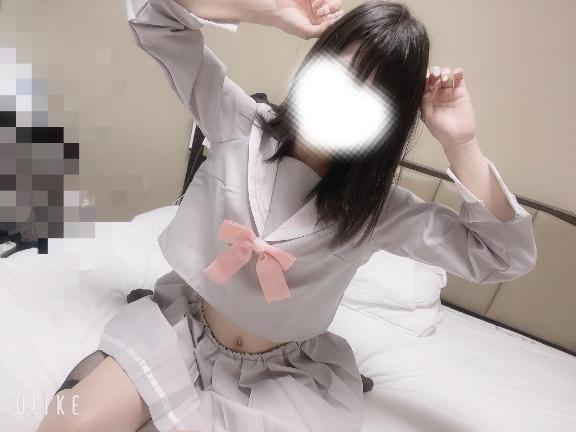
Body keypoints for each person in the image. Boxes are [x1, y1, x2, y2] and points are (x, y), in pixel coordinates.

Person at [37, 0, 537, 431]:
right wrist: (269, 10)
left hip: (279, 375)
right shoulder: (239, 123)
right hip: (184, 328)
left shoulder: (379, 210)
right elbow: (154, 17)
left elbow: (501, 256)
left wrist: (462, 144)